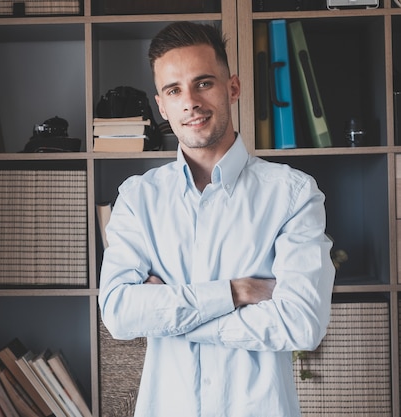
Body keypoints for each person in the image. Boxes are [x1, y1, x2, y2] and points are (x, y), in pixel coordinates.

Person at [98, 21, 335, 417]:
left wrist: (170, 317)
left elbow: (302, 322)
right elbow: (120, 314)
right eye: (174, 90)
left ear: (233, 88)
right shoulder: (138, 198)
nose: (190, 101)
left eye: (203, 83)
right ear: (162, 105)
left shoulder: (293, 194)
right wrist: (235, 292)